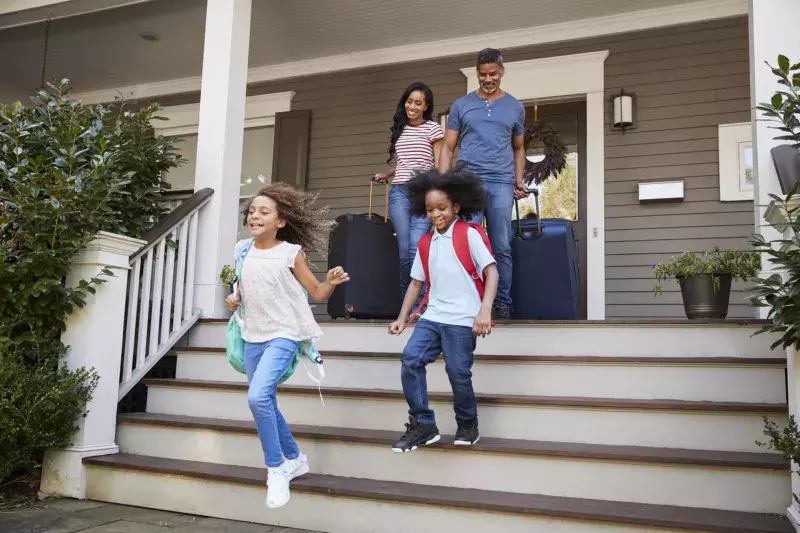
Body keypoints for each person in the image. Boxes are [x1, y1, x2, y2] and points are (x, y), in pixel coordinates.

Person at [224, 183, 349, 509]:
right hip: (252, 335)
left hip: (284, 334)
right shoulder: (241, 249)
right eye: (252, 211)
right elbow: (241, 290)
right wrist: (233, 300)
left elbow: (318, 294)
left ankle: (276, 467)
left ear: (281, 221)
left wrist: (331, 284)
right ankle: (295, 457)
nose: (255, 216)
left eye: (263, 212)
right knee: (265, 399)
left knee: (257, 396)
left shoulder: (290, 253)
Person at [387, 168, 499, 452]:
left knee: (457, 372)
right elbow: (415, 284)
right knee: (411, 360)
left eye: (442, 208)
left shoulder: (469, 234)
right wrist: (402, 318)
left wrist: (485, 310)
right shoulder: (425, 243)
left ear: (456, 207)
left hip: (463, 317)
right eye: (430, 209)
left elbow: (492, 272)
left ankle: (467, 423)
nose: (436, 214)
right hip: (433, 316)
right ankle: (423, 424)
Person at [438, 48, 528, 319]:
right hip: (469, 181)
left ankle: (501, 303)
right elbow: (447, 147)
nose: (488, 79)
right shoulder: (461, 105)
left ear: (501, 72)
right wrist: (444, 184)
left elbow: (519, 147)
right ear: (477, 74)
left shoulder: (515, 106)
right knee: (467, 243)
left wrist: (518, 179)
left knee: (501, 244)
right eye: (482, 75)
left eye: (493, 74)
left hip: (501, 182)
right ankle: (470, 299)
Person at [375, 82, 444, 299]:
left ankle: (418, 305)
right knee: (405, 251)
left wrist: (439, 191)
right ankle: (410, 305)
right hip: (399, 192)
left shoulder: (433, 128)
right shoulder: (401, 128)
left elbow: (439, 162)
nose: (412, 106)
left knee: (416, 248)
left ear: (426, 106)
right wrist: (389, 174)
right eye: (409, 101)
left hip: (424, 193)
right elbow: (408, 161)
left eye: (418, 103)